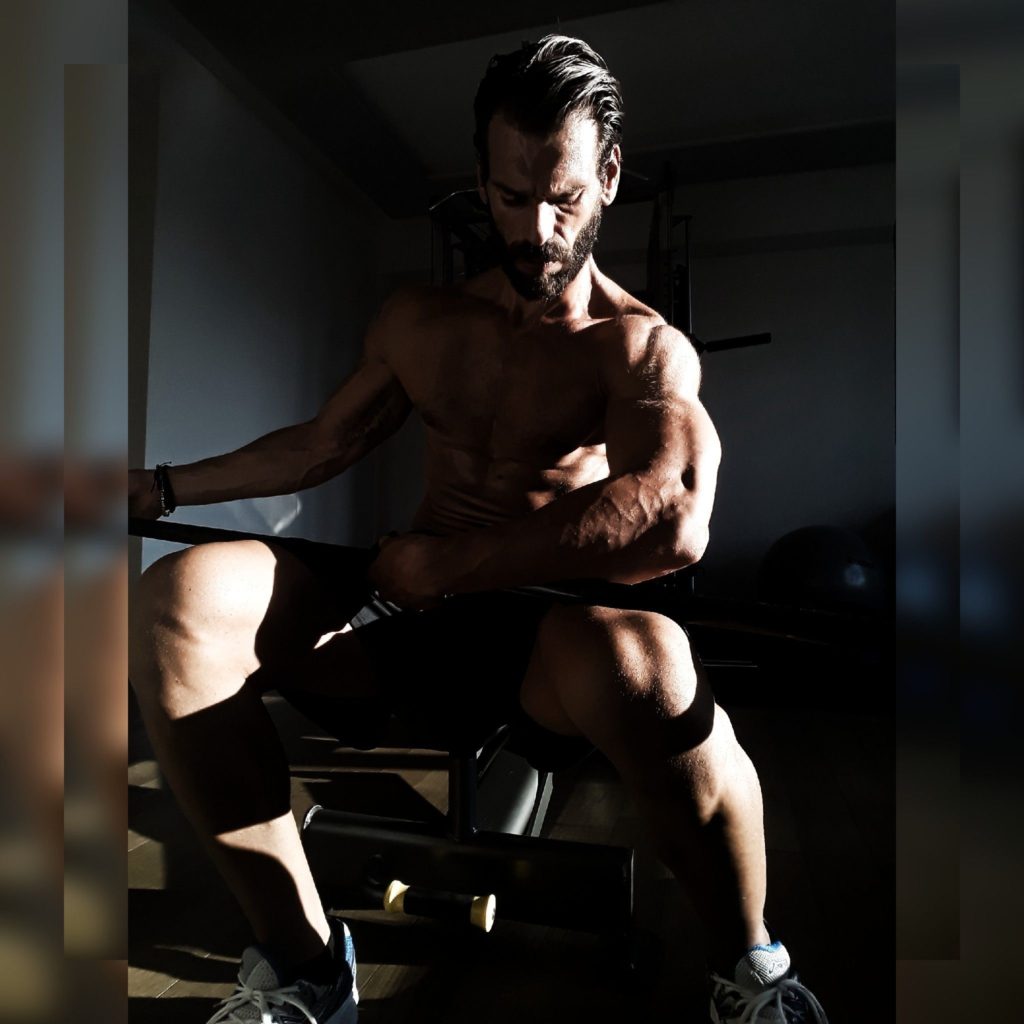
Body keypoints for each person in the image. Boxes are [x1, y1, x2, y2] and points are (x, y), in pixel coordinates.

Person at [129, 35, 827, 1024]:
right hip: (406, 614)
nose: (537, 229)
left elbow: (673, 512)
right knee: (178, 599)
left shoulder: (637, 347)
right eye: (510, 197)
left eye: (564, 198)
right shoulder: (423, 321)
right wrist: (160, 487)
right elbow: (321, 447)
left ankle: (753, 971)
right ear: (481, 180)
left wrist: (455, 562)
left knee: (652, 664)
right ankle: (304, 967)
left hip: (546, 633)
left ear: (608, 176)